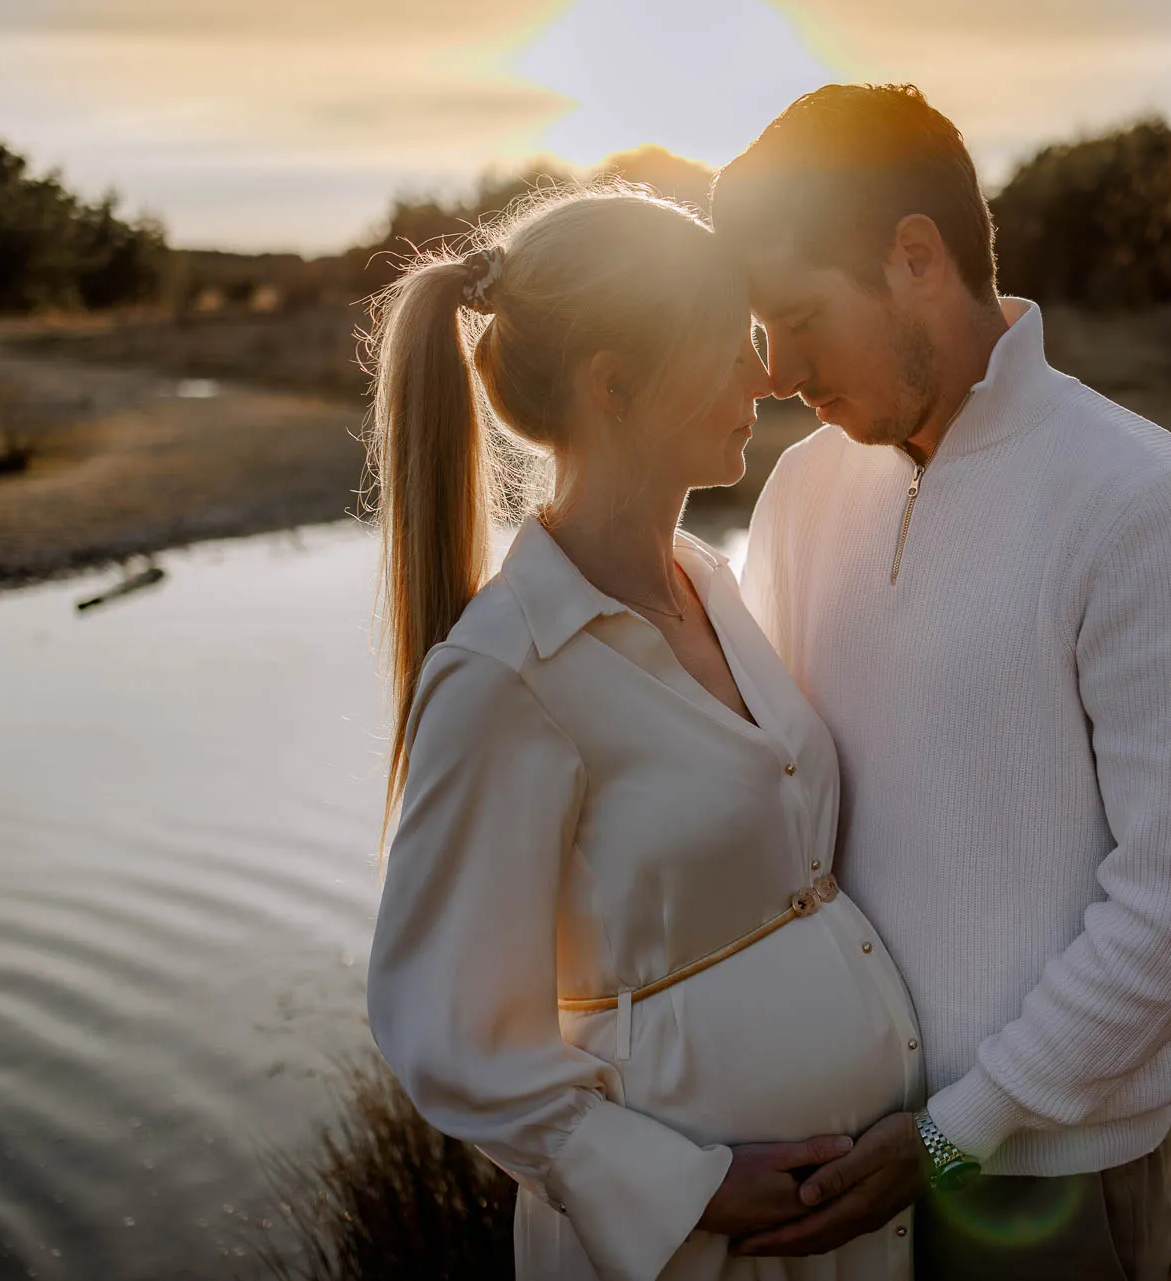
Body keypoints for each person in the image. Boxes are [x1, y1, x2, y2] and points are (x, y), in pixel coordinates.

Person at [713, 85, 1171, 1279]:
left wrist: (950, 1140)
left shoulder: (1148, 510)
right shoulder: (806, 491)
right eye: (762, 329)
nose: (779, 370)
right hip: (837, 1171)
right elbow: (772, 806)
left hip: (1046, 1197)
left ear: (917, 256)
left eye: (801, 315)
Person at [361, 186, 929, 1281]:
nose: (761, 376)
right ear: (613, 385)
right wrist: (690, 1188)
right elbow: (446, 1031)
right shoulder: (504, 673)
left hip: (845, 1229)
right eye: (723, 349)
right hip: (688, 1250)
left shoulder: (712, 584)